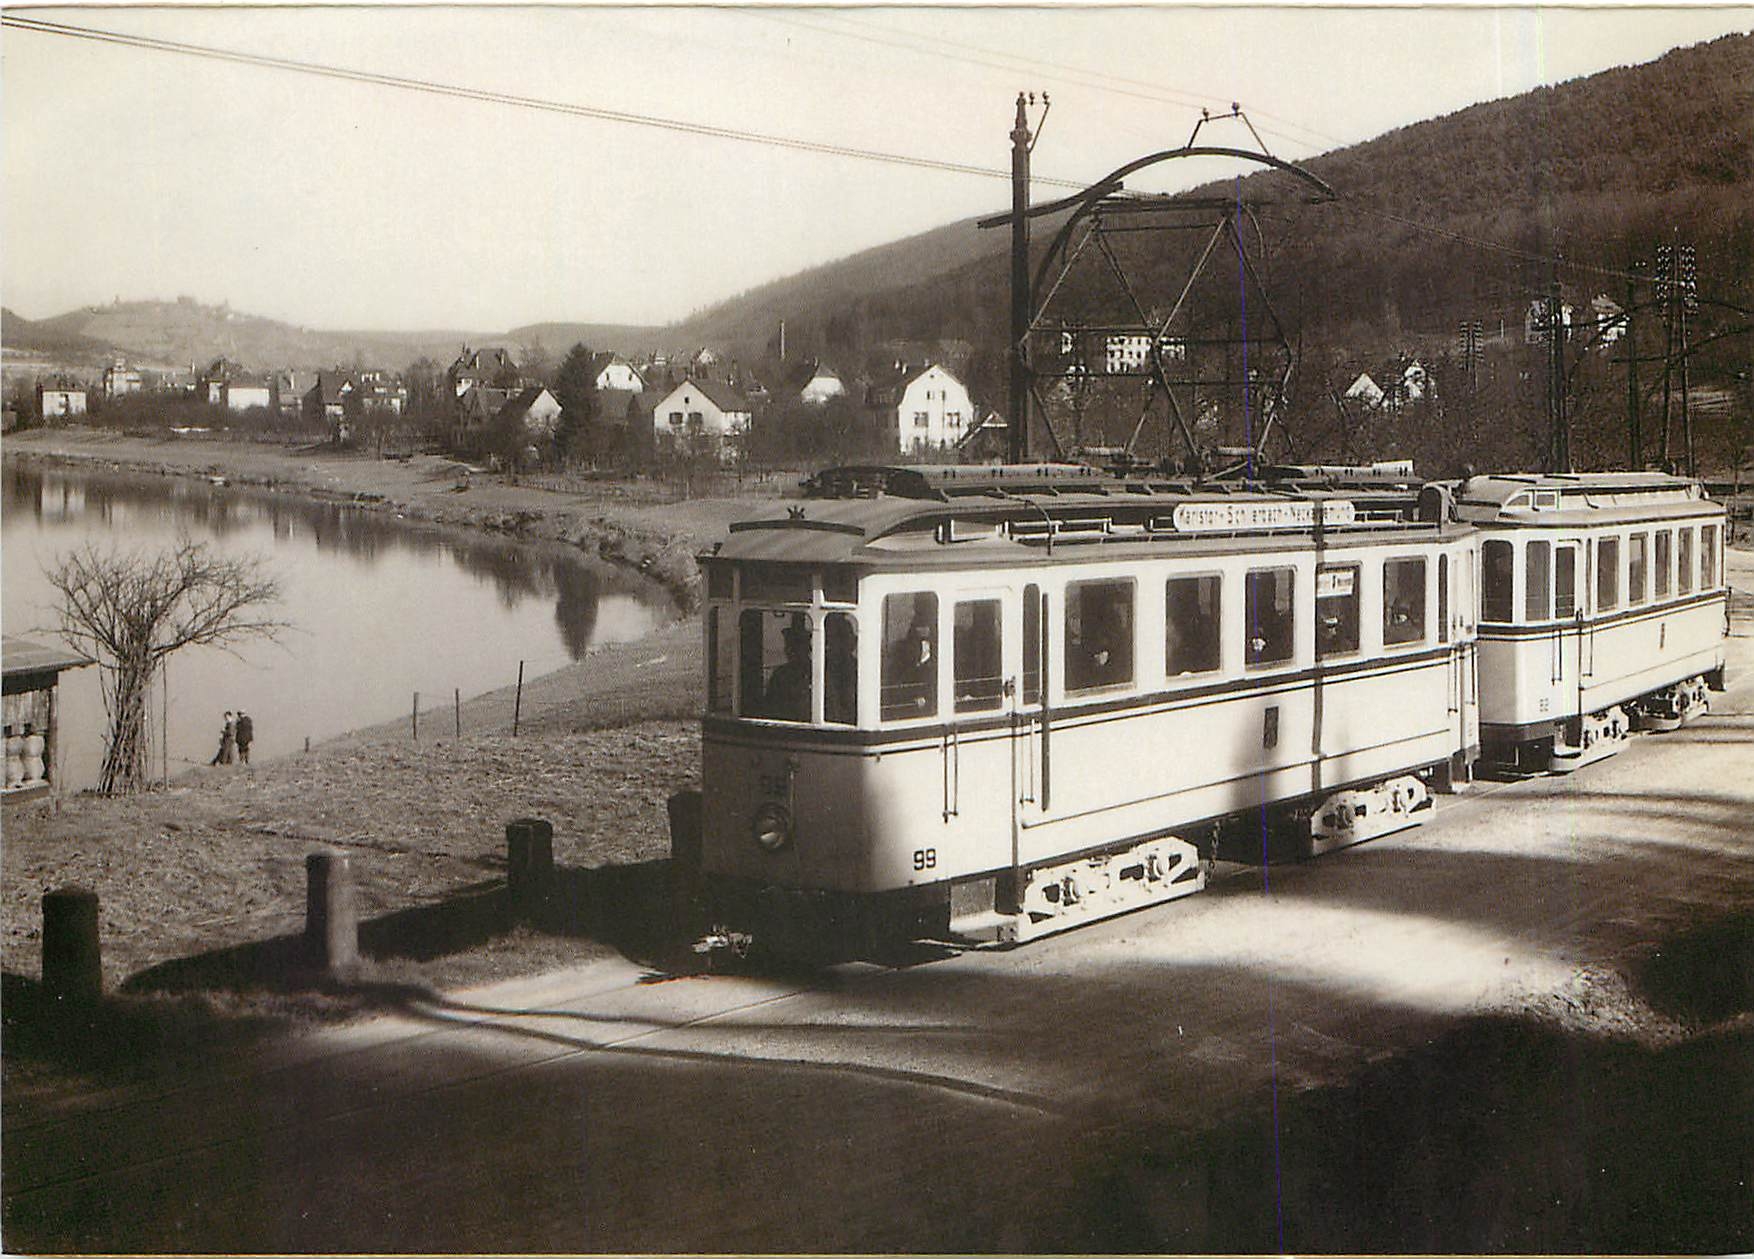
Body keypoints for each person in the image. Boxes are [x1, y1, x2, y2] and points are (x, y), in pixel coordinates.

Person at [761, 623, 812, 721]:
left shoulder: (817, 674)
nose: (789, 651)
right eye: (788, 647)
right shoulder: (780, 675)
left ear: (807, 649)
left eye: (795, 648)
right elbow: (769, 707)